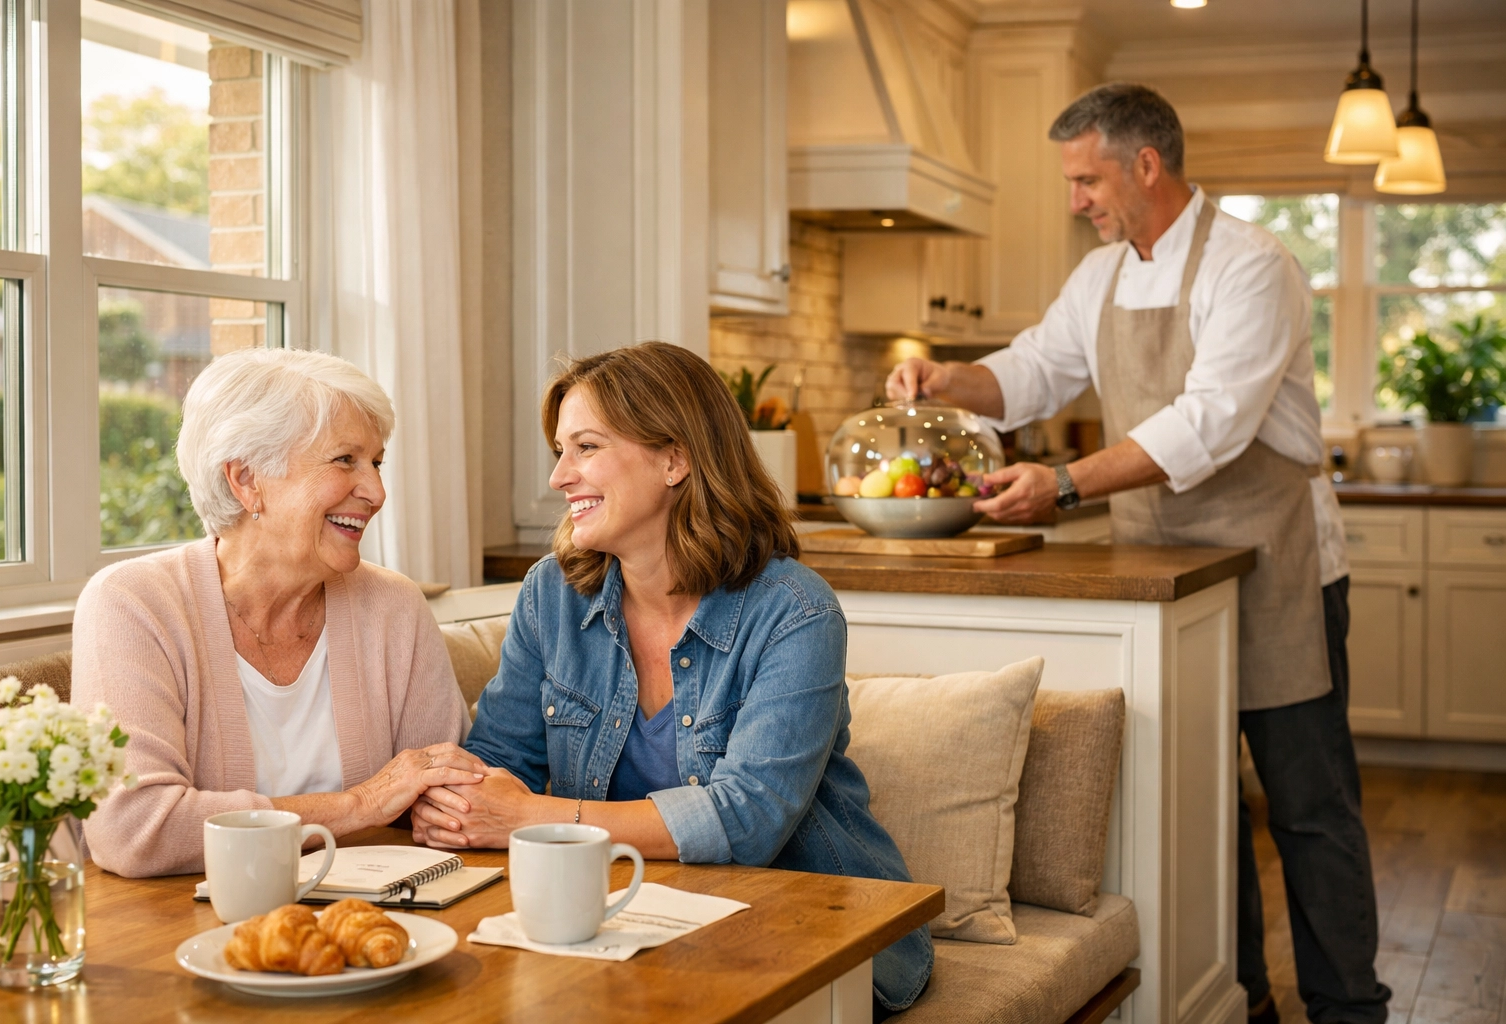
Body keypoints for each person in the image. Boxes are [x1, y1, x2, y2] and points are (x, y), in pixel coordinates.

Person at [886, 84, 1388, 1024]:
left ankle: (1349, 1010)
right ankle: (1242, 1000)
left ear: (1144, 165)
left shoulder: (1251, 265)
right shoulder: (1103, 275)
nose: (1076, 199)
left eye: (1086, 179)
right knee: (1203, 806)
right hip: (1162, 581)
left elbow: (1212, 425)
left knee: (1309, 806)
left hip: (1275, 569)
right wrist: (950, 377)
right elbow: (1034, 370)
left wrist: (1066, 482)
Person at [410, 341, 933, 1015]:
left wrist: (533, 816)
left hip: (815, 927)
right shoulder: (553, 594)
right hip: (617, 920)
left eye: (587, 447)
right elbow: (495, 764)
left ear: (675, 459)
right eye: (559, 451)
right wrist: (453, 802)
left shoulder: (795, 611)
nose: (559, 477)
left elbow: (748, 819)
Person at [73, 348, 477, 878]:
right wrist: (358, 805)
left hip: (376, 916)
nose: (376, 492)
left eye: (376, 462)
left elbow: (450, 800)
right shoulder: (132, 604)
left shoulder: (394, 607)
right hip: (178, 932)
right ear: (247, 480)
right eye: (344, 460)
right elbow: (133, 829)